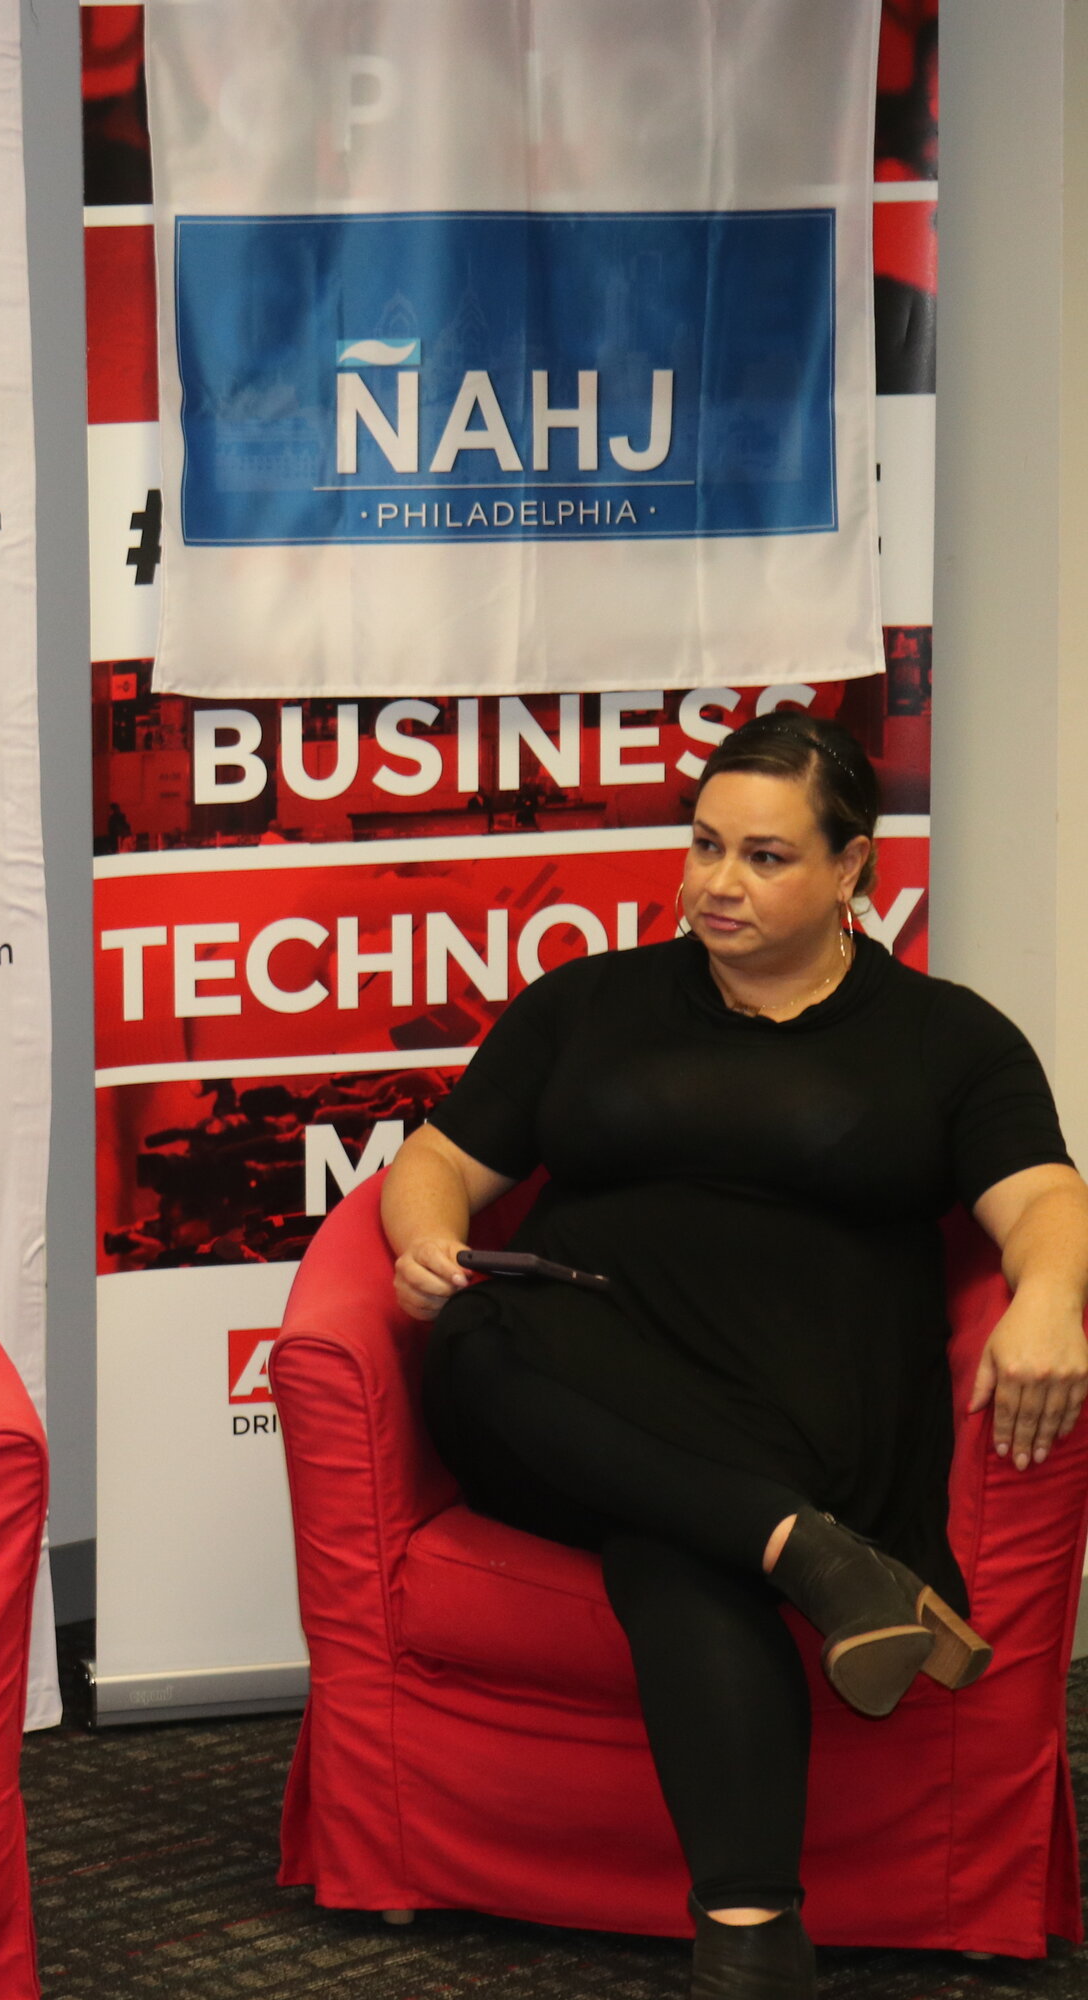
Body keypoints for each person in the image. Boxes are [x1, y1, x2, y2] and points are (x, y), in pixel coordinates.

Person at [383, 712, 1088, 2000]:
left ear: (854, 870)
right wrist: (428, 1237)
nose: (717, 881)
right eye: (705, 845)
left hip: (796, 1395)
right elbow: (439, 1159)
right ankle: (808, 1556)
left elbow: (1043, 1195)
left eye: (765, 856)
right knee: (481, 1342)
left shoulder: (945, 1036)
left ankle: (753, 1934)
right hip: (574, 1372)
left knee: (673, 1532)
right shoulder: (588, 1001)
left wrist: (1051, 1297)